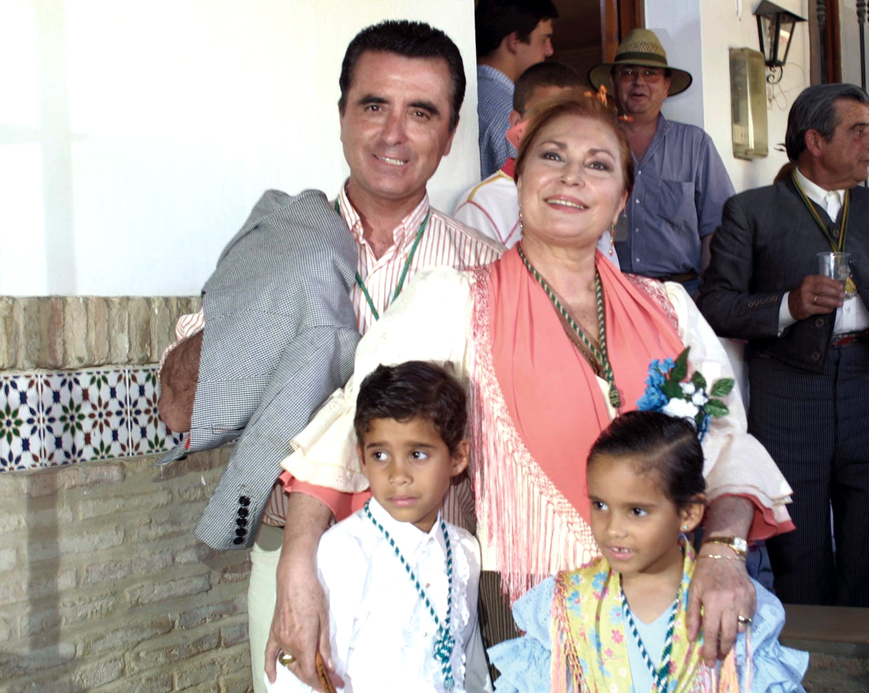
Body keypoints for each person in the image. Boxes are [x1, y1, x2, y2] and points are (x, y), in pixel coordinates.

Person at [279, 93, 795, 673]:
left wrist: (724, 554)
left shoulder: (669, 308)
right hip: (529, 614)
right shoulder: (455, 299)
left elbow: (725, 445)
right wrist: (297, 569)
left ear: (623, 200)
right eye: (552, 156)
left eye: (598, 164)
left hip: (668, 605)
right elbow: (356, 420)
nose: (572, 177)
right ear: (519, 179)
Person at [156, 20, 503, 692]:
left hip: (436, 561)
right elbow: (176, 408)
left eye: (421, 112)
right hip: (295, 557)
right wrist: (267, 295)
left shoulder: (485, 269)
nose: (393, 134)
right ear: (342, 114)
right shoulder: (281, 243)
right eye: (374, 105)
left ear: (451, 134)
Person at [699, 83, 869, 608]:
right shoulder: (752, 211)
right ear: (815, 141)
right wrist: (788, 304)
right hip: (788, 397)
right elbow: (715, 304)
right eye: (859, 131)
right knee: (798, 557)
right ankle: (811, 673)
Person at [488, 410, 808, 692]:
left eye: (637, 511)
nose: (612, 528)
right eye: (600, 505)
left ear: (688, 514)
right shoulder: (563, 605)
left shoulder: (727, 602)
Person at [267, 362, 488, 693]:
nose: (398, 475)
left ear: (457, 458)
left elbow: (471, 670)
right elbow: (295, 681)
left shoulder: (465, 552)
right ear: (362, 459)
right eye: (381, 455)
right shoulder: (345, 552)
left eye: (417, 454)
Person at [589, 29, 734, 296]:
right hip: (611, 292)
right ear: (612, 82)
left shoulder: (695, 145)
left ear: (666, 85)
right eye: (628, 73)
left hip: (682, 293)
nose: (638, 82)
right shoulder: (591, 144)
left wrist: (712, 295)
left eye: (650, 74)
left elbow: (716, 229)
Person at [454, 60, 618, 266]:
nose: (556, 127)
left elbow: (607, 278)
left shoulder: (589, 193)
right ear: (516, 123)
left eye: (567, 115)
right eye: (543, 115)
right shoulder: (482, 205)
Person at [475, 0, 558, 178]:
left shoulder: (467, 92)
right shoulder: (512, 115)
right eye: (544, 39)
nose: (549, 50)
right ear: (515, 41)